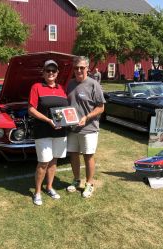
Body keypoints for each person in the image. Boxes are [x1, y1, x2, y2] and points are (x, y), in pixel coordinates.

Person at [28, 60, 69, 206]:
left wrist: (69, 120)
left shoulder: (62, 89)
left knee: (54, 161)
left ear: (57, 73)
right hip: (43, 130)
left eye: (53, 71)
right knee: (44, 162)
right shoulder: (37, 87)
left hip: (60, 132)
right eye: (48, 70)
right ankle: (37, 192)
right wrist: (48, 120)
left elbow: (66, 111)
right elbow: (31, 109)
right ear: (43, 73)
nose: (51, 73)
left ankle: (49, 187)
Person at [66, 56, 106, 198]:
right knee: (73, 155)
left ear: (87, 68)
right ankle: (77, 180)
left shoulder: (93, 84)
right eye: (76, 68)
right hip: (72, 128)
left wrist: (86, 117)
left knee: (88, 156)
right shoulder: (69, 84)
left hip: (88, 128)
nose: (78, 70)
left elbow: (101, 107)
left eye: (82, 67)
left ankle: (89, 184)